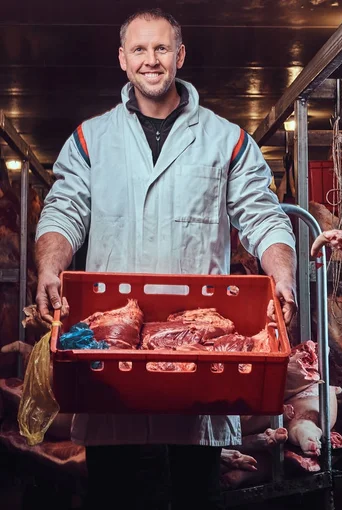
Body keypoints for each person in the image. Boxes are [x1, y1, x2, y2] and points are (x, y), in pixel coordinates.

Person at [34, 8, 297, 510]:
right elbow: (64, 210)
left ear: (179, 56)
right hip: (114, 362)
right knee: (114, 496)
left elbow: (262, 216)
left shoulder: (227, 140)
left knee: (193, 496)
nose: (150, 61)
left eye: (160, 49)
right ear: (121, 59)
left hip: (198, 364)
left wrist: (281, 274)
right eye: (138, 49)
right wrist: (50, 266)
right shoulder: (92, 139)